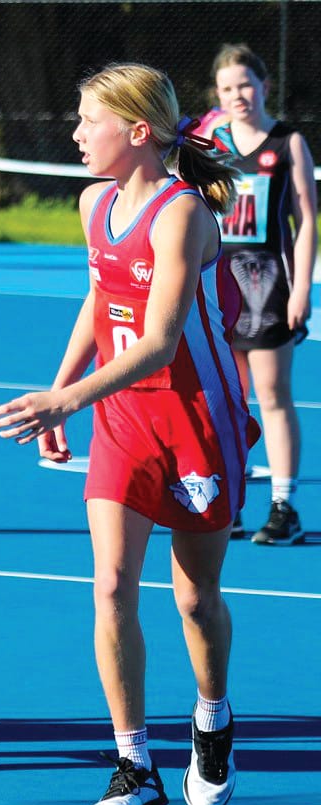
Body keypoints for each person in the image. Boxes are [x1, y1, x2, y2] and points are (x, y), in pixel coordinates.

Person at [0, 62, 258, 805]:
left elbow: (162, 340)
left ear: (138, 131)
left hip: (197, 418)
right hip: (121, 419)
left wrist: (68, 398)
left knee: (195, 598)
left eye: (88, 121)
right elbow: (101, 297)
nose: (76, 134)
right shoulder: (93, 204)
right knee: (110, 585)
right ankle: (134, 762)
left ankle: (212, 717)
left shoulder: (183, 214)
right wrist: (61, 390)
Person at [209, 44, 315, 545]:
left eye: (245, 85)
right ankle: (227, 501)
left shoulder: (288, 142)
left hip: (270, 285)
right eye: (227, 88)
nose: (238, 95)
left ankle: (283, 507)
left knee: (272, 394)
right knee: (225, 399)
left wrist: (303, 289)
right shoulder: (212, 144)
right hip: (219, 287)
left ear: (264, 86)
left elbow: (306, 220)